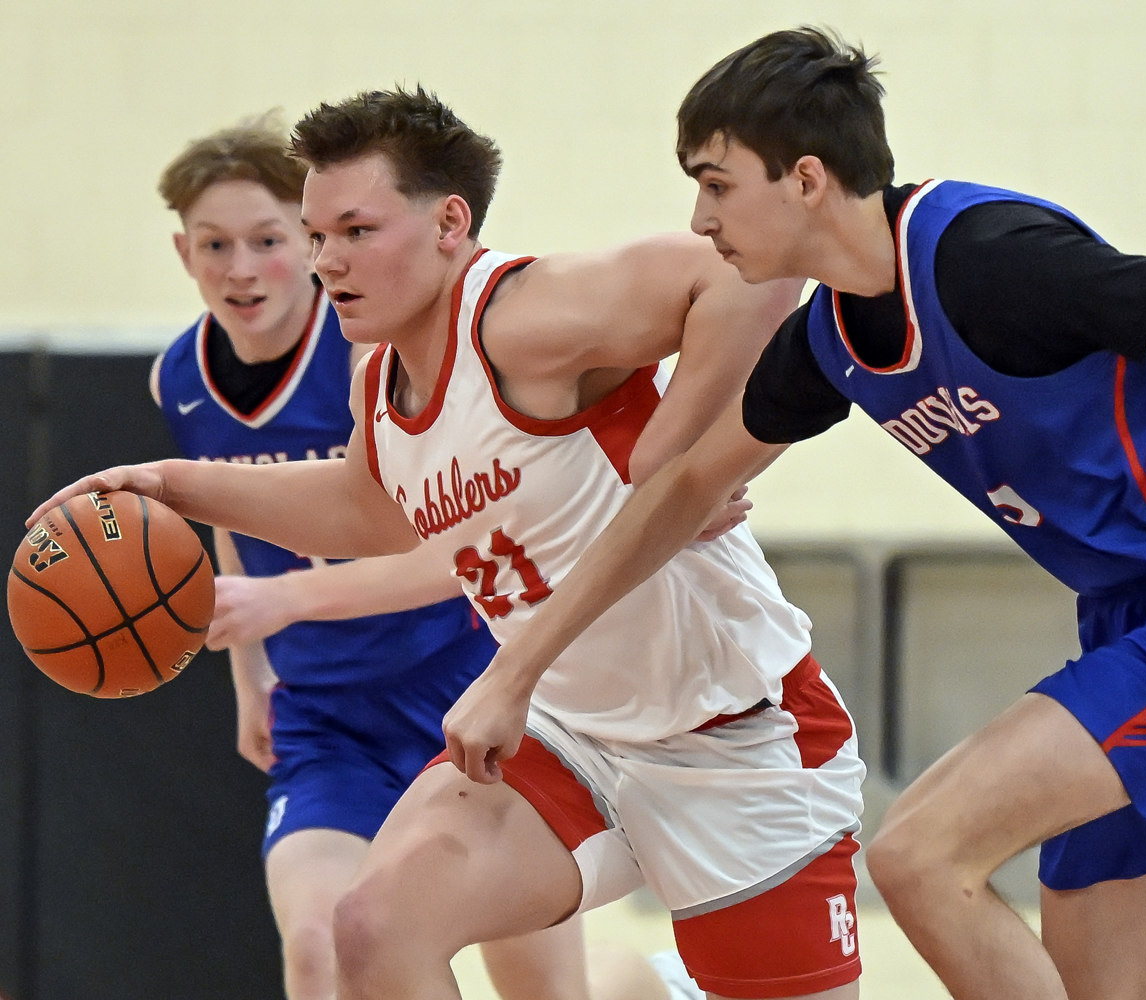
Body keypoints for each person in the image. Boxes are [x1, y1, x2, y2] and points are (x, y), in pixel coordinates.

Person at [432, 26, 1146, 1000]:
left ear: (807, 179)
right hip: (1137, 620)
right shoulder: (829, 337)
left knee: (919, 852)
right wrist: (516, 671)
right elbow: (681, 488)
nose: (700, 220)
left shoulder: (990, 264)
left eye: (715, 184)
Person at [33, 86, 863, 1000]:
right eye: (318, 236)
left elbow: (749, 275)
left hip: (736, 734)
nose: (327, 261)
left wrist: (689, 457)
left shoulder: (520, 315)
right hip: (574, 737)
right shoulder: (379, 382)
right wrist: (169, 484)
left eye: (355, 231)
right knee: (371, 927)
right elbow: (364, 515)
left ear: (448, 223)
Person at [151, 117, 589, 1000]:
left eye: (271, 241)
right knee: (320, 947)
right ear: (182, 250)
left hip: (462, 686)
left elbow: (462, 551)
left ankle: (645, 983)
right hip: (327, 722)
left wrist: (289, 607)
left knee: (541, 988)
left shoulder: (369, 351)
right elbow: (235, 526)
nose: (242, 269)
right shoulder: (179, 381)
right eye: (216, 245)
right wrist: (251, 678)